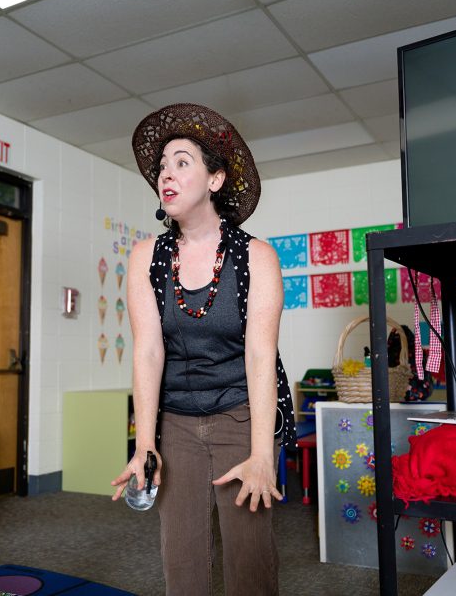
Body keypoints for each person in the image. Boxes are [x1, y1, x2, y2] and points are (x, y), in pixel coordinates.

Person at [112, 104, 297, 595]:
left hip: (242, 412)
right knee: (183, 556)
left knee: (249, 554)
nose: (165, 174)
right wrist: (144, 442)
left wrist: (262, 453)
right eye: (162, 167)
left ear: (215, 179)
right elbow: (148, 352)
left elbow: (261, 356)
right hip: (175, 420)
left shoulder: (255, 256)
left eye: (181, 162)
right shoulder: (145, 257)